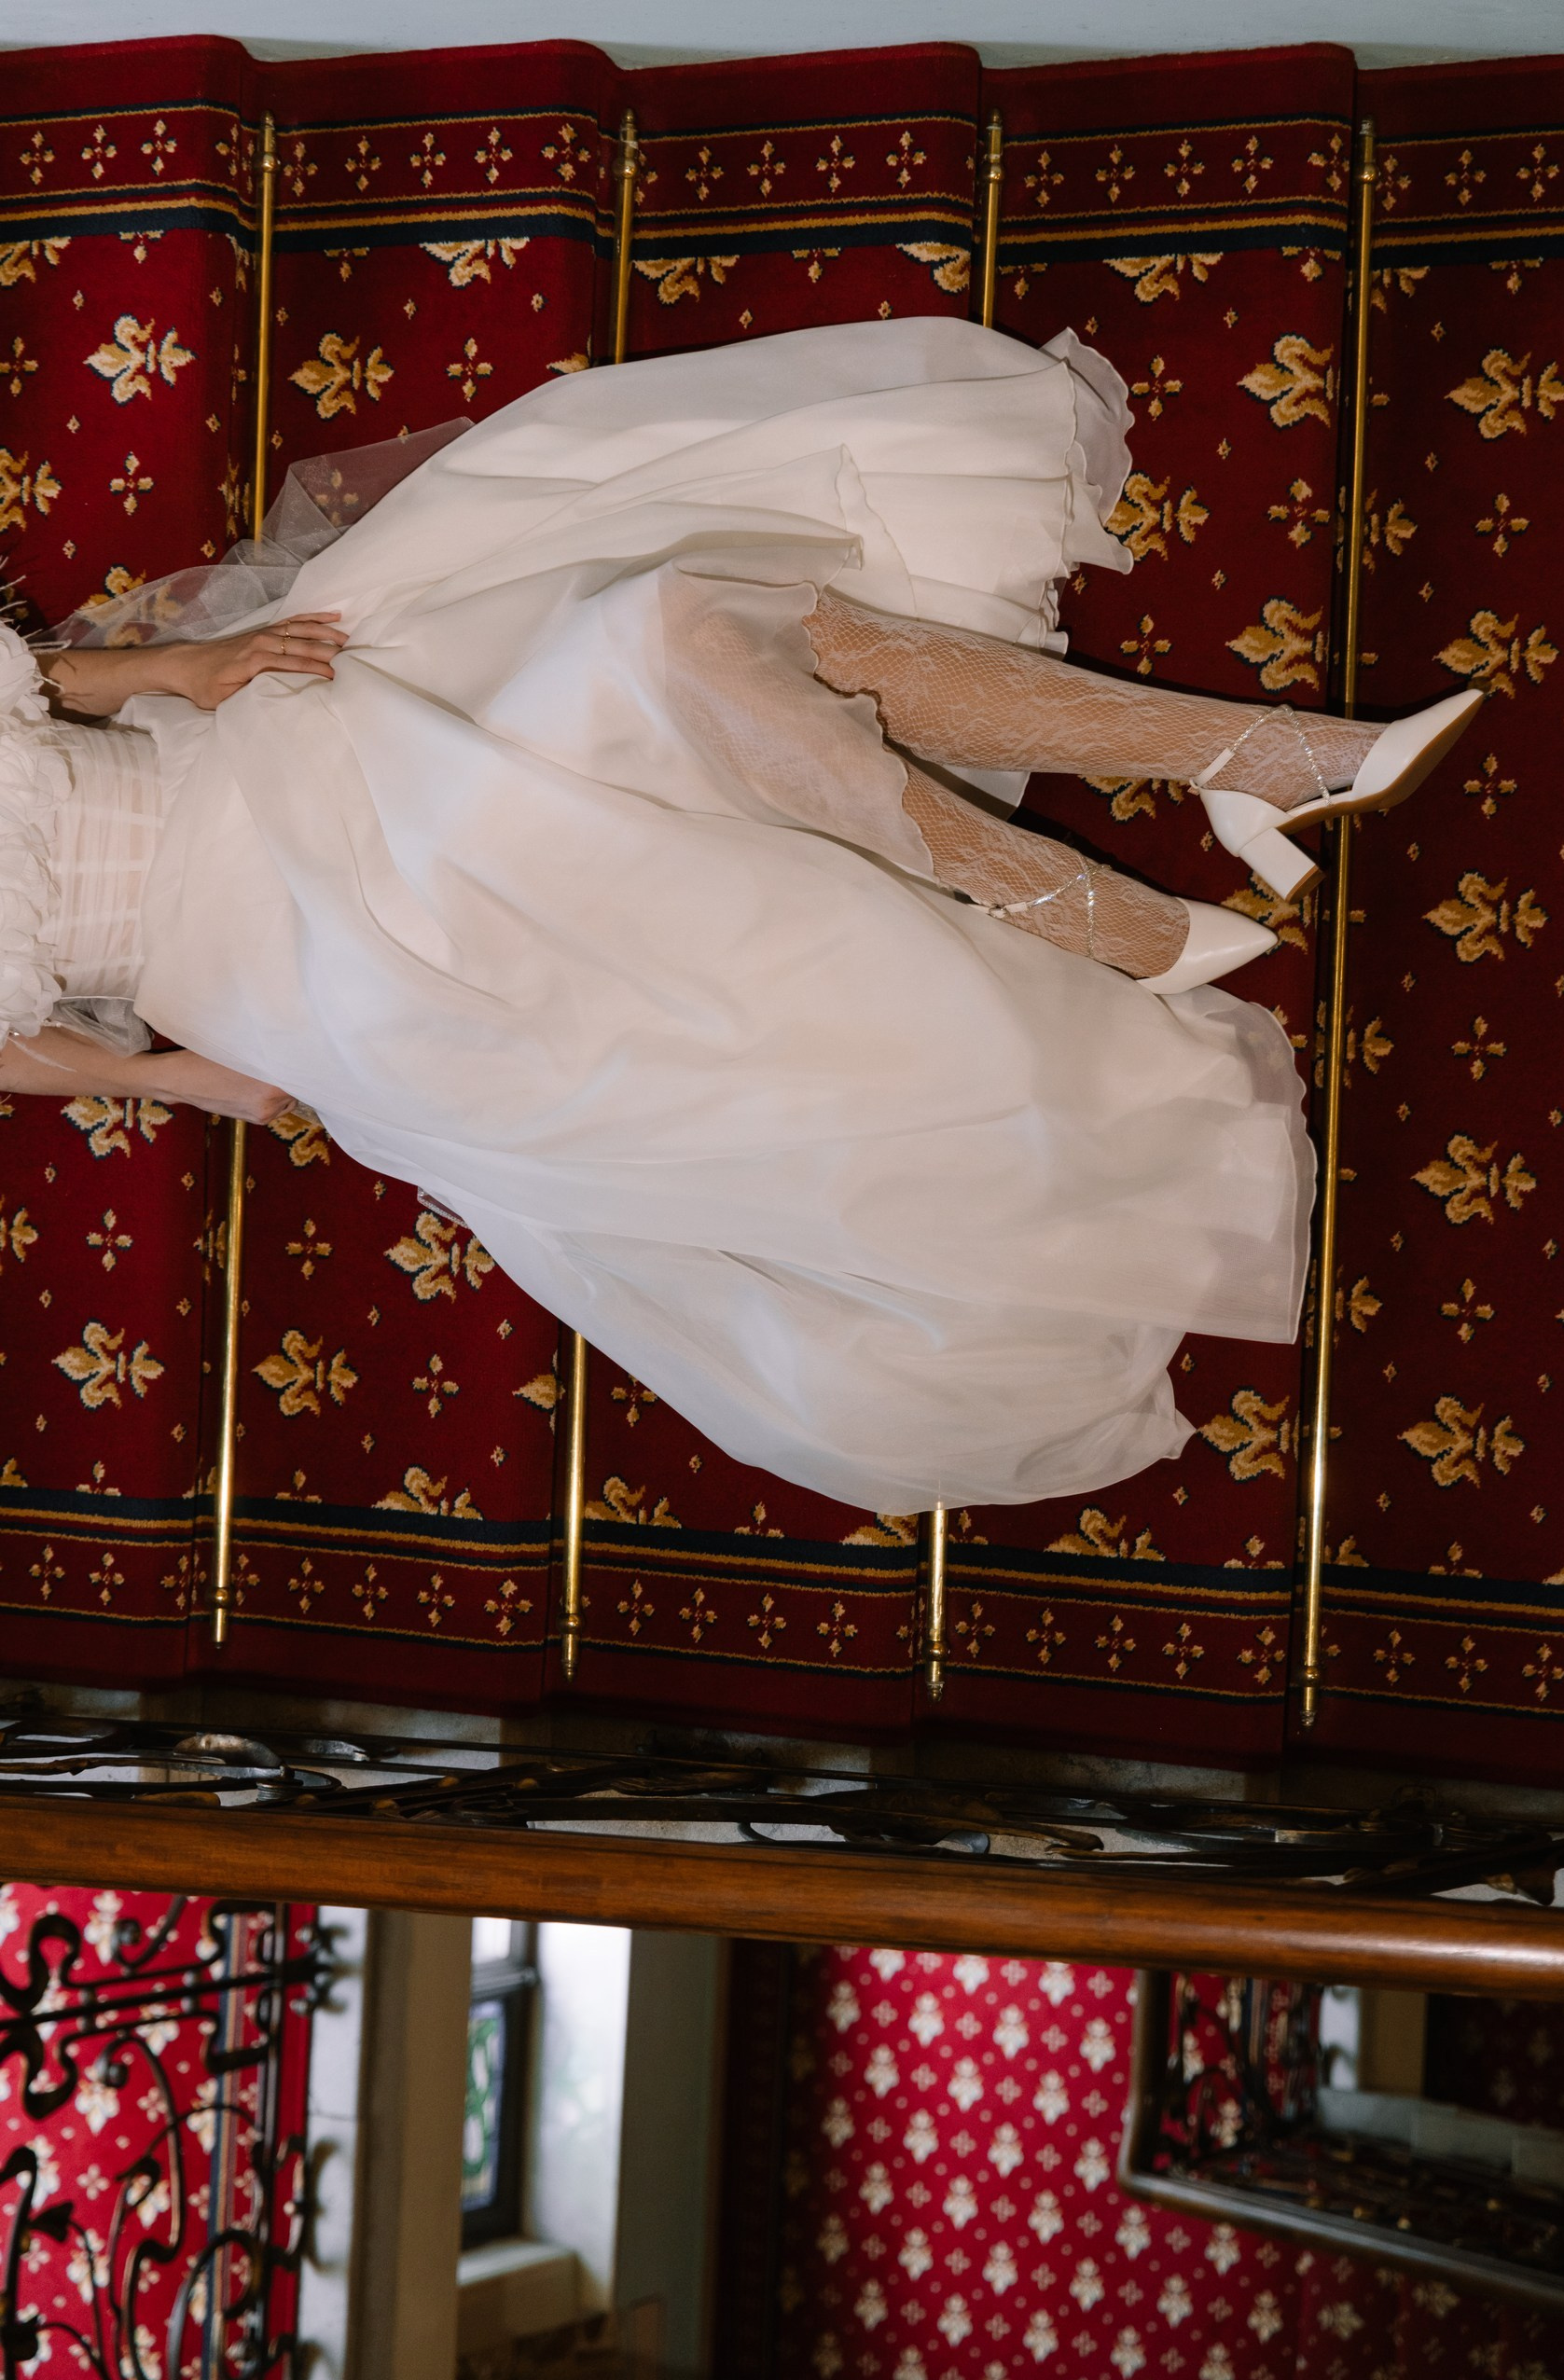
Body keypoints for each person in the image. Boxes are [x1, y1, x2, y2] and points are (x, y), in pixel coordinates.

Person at [0, 318, 1478, 1513]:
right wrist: (171, 1078)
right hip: (276, 957)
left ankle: (1232, 778)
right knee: (668, 868)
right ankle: (1140, 868)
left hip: (261, 742)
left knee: (679, 627)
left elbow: (34, 682)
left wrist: (176, 669)